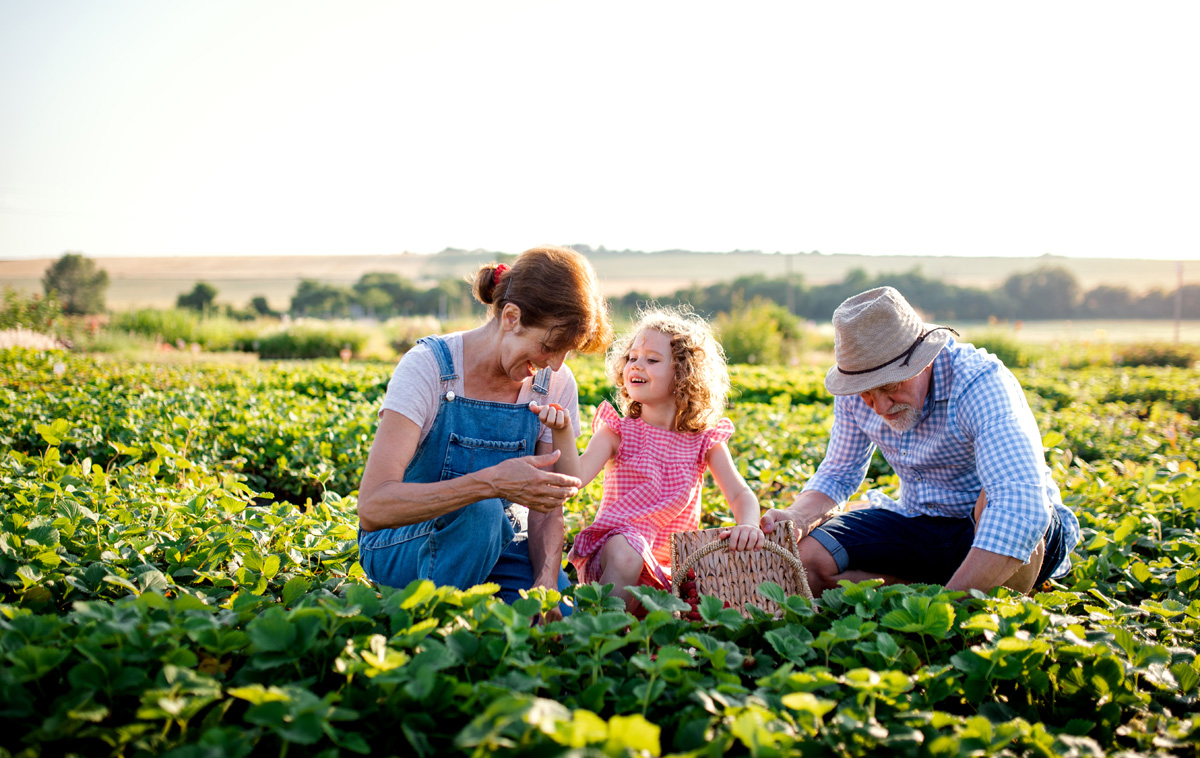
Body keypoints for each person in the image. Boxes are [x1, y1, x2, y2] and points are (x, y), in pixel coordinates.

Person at [761, 286, 1080, 595]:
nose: (881, 406)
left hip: (989, 524)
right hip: (919, 520)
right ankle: (933, 593)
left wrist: (947, 607)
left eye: (890, 387)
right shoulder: (854, 388)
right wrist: (796, 517)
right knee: (807, 562)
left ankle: (960, 600)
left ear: (924, 359)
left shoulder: (979, 383)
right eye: (867, 393)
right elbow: (839, 473)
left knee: (994, 500)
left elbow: (1020, 503)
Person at [356, 245, 613, 618]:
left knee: (559, 623)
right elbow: (374, 507)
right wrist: (491, 484)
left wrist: (544, 580)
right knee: (481, 516)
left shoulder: (553, 383)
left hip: (504, 542)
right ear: (511, 317)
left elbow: (545, 506)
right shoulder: (428, 368)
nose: (555, 365)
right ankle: (429, 632)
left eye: (566, 352)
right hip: (403, 540)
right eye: (549, 347)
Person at [534, 308, 764, 612]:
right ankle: (596, 631)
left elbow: (739, 493)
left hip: (669, 566)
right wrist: (562, 430)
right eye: (632, 357)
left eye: (652, 360)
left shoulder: (703, 441)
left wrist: (747, 525)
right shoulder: (617, 432)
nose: (636, 365)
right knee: (628, 551)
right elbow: (573, 479)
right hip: (616, 552)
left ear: (684, 374)